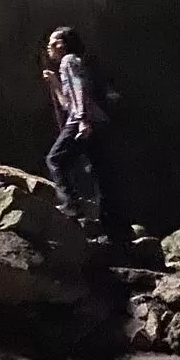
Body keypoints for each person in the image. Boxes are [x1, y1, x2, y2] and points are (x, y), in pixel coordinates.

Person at [42, 27, 130, 243]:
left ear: (62, 44)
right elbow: (67, 103)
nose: (49, 48)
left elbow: (80, 92)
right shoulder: (76, 62)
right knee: (101, 174)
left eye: (52, 43)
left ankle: (70, 205)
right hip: (96, 121)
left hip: (84, 120)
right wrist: (55, 84)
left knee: (55, 159)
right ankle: (116, 229)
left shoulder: (69, 60)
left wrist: (82, 120)